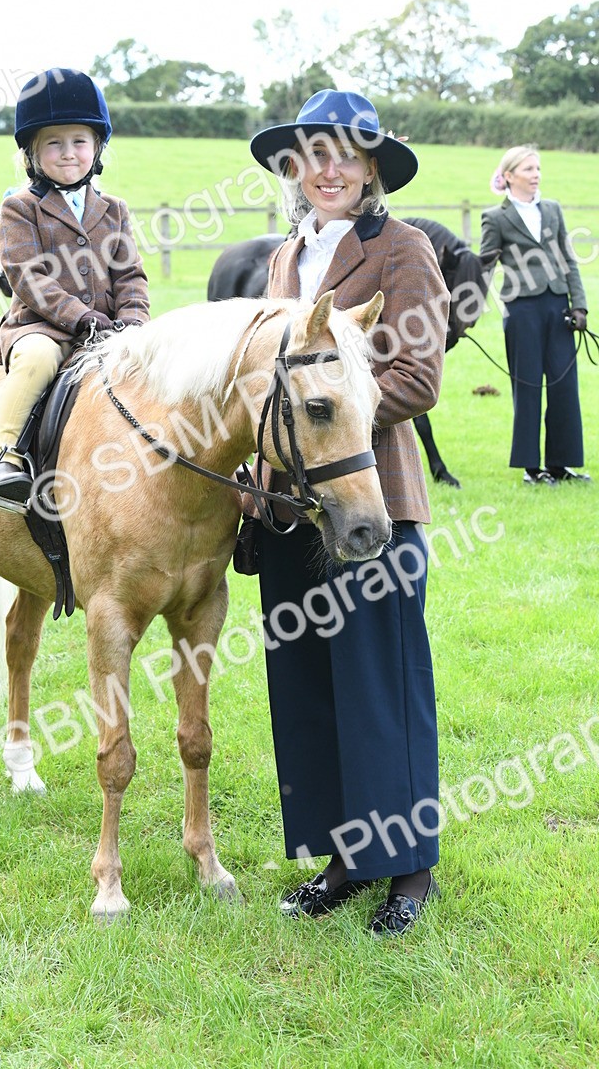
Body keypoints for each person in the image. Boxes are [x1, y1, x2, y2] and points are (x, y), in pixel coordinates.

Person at [247, 89, 449, 937]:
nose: (326, 169)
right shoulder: (285, 257)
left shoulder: (402, 249)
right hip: (293, 506)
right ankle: (343, 860)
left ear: (369, 169)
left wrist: (332, 411)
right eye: (312, 154)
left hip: (372, 500)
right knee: (312, 689)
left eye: (345, 155)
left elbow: (420, 377)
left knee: (380, 687)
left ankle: (411, 871)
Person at [0, 68, 150, 511]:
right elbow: (27, 276)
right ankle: (3, 458)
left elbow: (130, 274)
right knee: (35, 361)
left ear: (96, 148)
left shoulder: (114, 210)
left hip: (112, 328)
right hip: (42, 329)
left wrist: (133, 321)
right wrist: (81, 316)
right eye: (54, 143)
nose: (68, 153)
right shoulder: (20, 207)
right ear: (33, 154)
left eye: (79, 142)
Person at [481, 146, 590, 485]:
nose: (536, 174)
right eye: (528, 168)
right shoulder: (495, 217)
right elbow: (484, 266)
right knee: (527, 387)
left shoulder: (553, 210)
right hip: (522, 310)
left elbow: (569, 260)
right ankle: (532, 468)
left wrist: (580, 305)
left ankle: (561, 464)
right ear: (509, 175)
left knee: (563, 386)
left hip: (558, 306)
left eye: (538, 168)